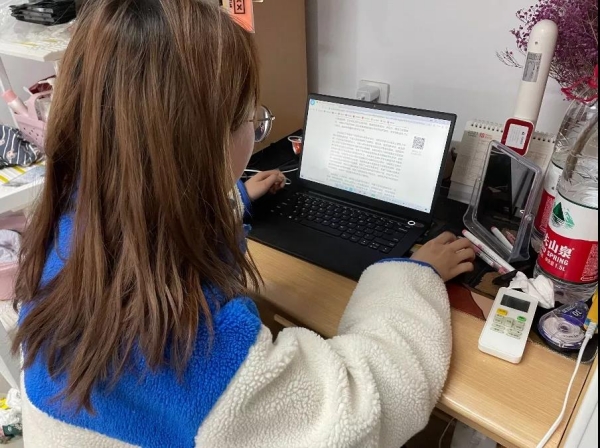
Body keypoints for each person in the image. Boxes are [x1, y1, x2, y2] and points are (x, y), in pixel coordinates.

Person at [13, 1, 475, 447]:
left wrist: (234, 198)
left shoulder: (67, 229)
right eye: (253, 122)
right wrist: (414, 276)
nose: (255, 133)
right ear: (202, 143)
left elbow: (151, 208)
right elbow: (362, 409)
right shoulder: (189, 351)